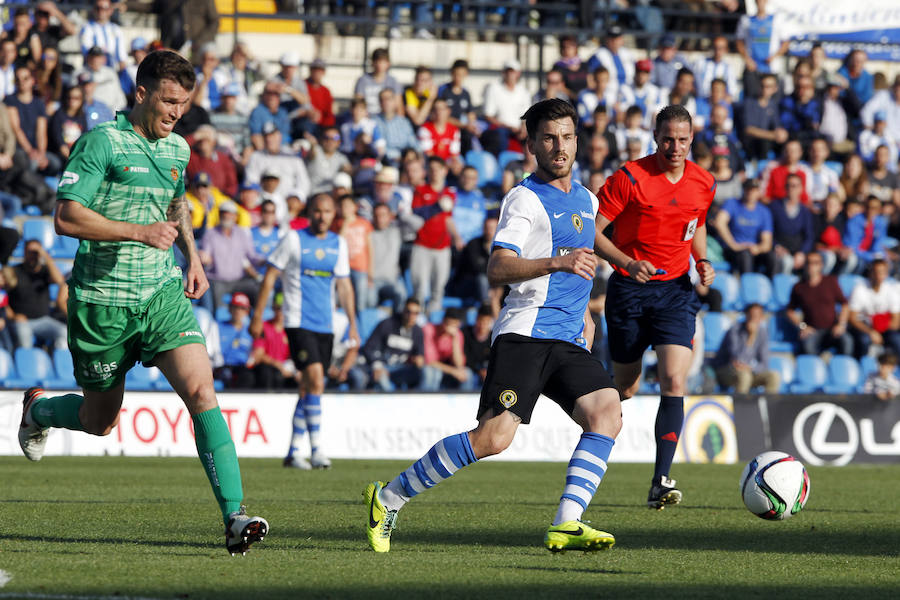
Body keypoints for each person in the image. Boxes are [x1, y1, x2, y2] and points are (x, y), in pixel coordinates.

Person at [18, 50, 267, 555]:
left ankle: (235, 518)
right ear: (141, 94)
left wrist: (192, 255)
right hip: (101, 304)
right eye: (169, 101)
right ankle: (39, 411)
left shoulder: (177, 150)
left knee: (202, 392)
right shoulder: (101, 143)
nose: (177, 112)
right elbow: (66, 217)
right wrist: (138, 232)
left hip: (161, 295)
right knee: (100, 421)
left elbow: (175, 204)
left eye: (184, 104)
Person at [364, 98, 623, 555]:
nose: (558, 146)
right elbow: (498, 267)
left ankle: (568, 522)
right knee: (493, 438)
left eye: (565, 137)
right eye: (548, 137)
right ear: (531, 145)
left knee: (608, 412)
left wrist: (587, 309)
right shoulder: (523, 199)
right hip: (525, 333)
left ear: (577, 142)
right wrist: (555, 263)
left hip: (567, 338)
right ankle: (388, 498)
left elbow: (584, 254)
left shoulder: (586, 198)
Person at [594, 104, 716, 510]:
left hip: (676, 293)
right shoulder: (630, 178)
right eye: (668, 138)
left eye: (682, 139)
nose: (675, 147)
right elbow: (593, 232)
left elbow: (695, 228)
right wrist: (627, 263)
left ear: (692, 139)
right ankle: (590, 434)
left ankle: (660, 480)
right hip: (629, 291)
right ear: (655, 135)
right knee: (626, 386)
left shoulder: (704, 183)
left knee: (674, 381)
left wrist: (701, 262)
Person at [251, 192, 359, 470]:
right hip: (298, 321)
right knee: (317, 382)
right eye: (317, 211)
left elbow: (345, 286)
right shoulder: (293, 239)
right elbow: (270, 278)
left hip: (325, 324)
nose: (322, 216)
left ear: (334, 215)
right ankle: (317, 449)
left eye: (327, 211)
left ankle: (293, 451)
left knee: (307, 388)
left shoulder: (339, 244)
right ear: (309, 213)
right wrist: (258, 316)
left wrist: (353, 323)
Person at [5, 239, 68, 350]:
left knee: (64, 333)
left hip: (43, 320)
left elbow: (60, 281)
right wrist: (13, 316)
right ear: (24, 252)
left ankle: (55, 361)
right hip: (22, 322)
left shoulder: (44, 271)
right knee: (25, 342)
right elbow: (3, 298)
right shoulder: (14, 271)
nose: (33, 255)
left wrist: (45, 256)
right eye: (30, 251)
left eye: (36, 252)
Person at [786, 251, 852, 356]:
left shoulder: (831, 282)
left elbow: (845, 304)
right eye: (809, 262)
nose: (811, 266)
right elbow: (790, 311)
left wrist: (841, 324)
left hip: (832, 329)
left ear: (821, 265)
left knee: (847, 342)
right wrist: (802, 326)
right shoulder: (799, 287)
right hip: (813, 331)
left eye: (815, 263)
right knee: (807, 347)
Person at [713, 303, 780, 394]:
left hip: (749, 371)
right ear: (746, 315)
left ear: (762, 318)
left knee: (774, 376)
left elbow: (764, 364)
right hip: (726, 370)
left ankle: (770, 406)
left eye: (757, 316)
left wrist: (751, 368)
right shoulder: (735, 330)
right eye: (751, 315)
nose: (754, 319)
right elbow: (738, 359)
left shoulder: (763, 332)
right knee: (744, 376)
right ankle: (740, 407)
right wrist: (751, 337)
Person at [848, 258, 900, 358]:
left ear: (886, 274)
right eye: (876, 272)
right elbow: (853, 318)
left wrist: (881, 331)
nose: (878, 276)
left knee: (896, 340)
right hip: (865, 327)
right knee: (864, 340)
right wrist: (871, 332)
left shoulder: (891, 290)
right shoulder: (860, 289)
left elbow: (896, 320)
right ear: (870, 273)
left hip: (884, 328)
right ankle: (861, 365)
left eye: (882, 272)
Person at [215, 292, 255, 389]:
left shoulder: (250, 330)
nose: (238, 311)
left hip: (243, 368)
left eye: (242, 308)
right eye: (235, 307)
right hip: (222, 367)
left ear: (247, 311)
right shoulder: (217, 327)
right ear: (229, 308)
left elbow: (255, 351)